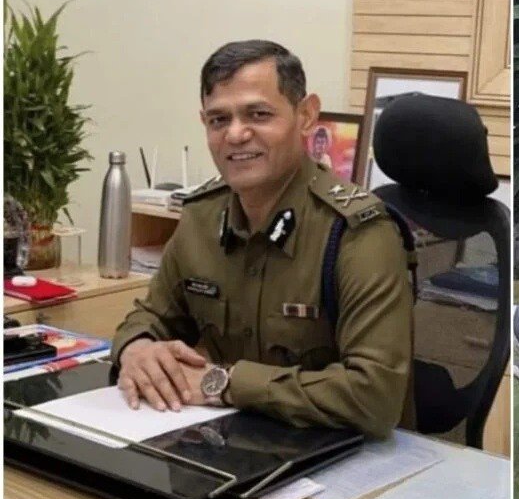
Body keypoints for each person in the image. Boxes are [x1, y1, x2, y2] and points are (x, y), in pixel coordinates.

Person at [112, 40, 413, 438]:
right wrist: (136, 349)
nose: (236, 134)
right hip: (233, 440)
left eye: (258, 114)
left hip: (341, 452)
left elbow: (376, 395)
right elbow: (150, 317)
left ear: (306, 116)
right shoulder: (201, 217)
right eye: (219, 120)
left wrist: (223, 384)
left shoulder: (357, 233)